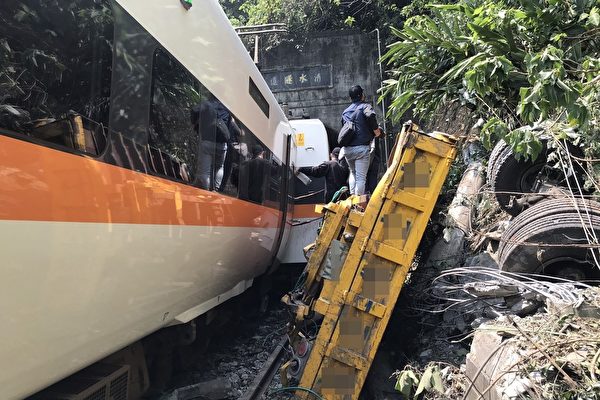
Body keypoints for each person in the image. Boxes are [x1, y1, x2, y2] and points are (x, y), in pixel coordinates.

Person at [340, 85, 382, 196]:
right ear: (362, 95)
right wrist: (376, 131)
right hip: (361, 149)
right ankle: (357, 203)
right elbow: (370, 116)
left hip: (347, 150)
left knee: (353, 173)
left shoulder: (345, 112)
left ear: (350, 98)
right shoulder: (365, 106)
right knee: (361, 177)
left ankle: (352, 199)